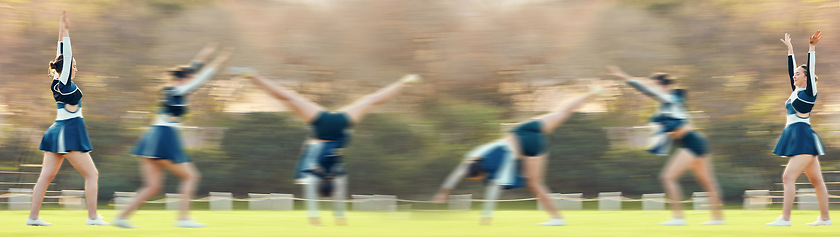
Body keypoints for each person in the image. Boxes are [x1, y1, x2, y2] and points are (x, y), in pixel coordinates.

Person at [235, 69, 420, 226]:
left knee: (371, 100)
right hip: (322, 125)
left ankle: (404, 82)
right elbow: (317, 188)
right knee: (288, 97)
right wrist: (320, 216)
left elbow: (336, 192)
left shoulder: (335, 172)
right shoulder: (319, 172)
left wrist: (334, 216)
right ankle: (252, 76)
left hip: (338, 124)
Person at [432, 86, 602, 226]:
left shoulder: (494, 166)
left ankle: (557, 218)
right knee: (563, 112)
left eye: (476, 179)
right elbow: (457, 174)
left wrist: (486, 215)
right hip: (524, 129)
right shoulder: (475, 156)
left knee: (535, 183)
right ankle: (593, 93)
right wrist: (443, 192)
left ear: (479, 173)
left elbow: (492, 191)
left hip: (528, 145)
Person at [113, 44, 233, 228]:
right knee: (191, 177)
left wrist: (206, 54)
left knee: (153, 187)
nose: (192, 81)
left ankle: (122, 218)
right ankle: (183, 219)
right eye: (190, 78)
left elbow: (193, 70)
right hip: (164, 137)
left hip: (152, 138)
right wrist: (220, 60)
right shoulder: (177, 90)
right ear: (183, 79)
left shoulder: (173, 90)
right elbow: (200, 78)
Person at [607, 65, 724, 225]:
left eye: (655, 85)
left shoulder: (671, 98)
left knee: (668, 177)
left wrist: (624, 76)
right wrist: (629, 77)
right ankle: (717, 219)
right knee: (708, 182)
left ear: (662, 85)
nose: (653, 87)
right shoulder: (668, 101)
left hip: (691, 143)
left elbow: (646, 89)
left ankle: (678, 217)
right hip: (696, 141)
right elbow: (647, 86)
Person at [28, 11, 109, 226]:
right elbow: (66, 53)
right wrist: (67, 37)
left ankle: (33, 218)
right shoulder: (62, 82)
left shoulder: (58, 79)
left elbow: (61, 53)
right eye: (73, 66)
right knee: (92, 174)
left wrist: (63, 29)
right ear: (66, 69)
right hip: (69, 132)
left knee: (46, 177)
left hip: (58, 131)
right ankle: (92, 218)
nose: (76, 68)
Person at [766, 31, 830, 227]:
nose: (794, 76)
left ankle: (785, 218)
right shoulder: (796, 91)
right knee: (817, 181)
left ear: (806, 77)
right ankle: (825, 219)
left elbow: (810, 71)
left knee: (788, 176)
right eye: (795, 74)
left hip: (803, 136)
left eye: (798, 74)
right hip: (799, 136)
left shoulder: (810, 91)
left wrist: (811, 47)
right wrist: (790, 50)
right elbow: (790, 71)